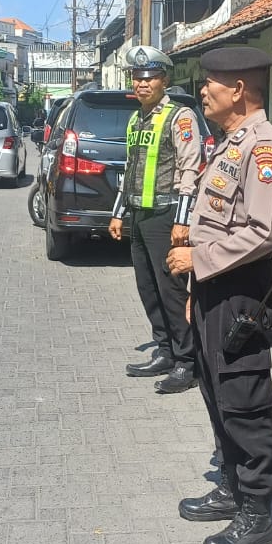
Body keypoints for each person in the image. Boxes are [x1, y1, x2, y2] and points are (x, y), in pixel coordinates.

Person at [166, 45, 272, 544]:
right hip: (214, 287)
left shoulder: (264, 147)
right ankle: (233, 486)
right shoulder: (229, 143)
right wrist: (197, 288)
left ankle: (258, 514)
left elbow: (264, 232)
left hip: (240, 292)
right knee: (216, 392)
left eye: (210, 83)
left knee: (243, 398)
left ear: (238, 89)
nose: (202, 91)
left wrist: (198, 260)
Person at [109, 45, 202, 393]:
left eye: (149, 77)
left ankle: (187, 363)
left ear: (164, 80)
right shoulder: (136, 119)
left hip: (166, 216)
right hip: (139, 216)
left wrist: (182, 220)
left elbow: (190, 169)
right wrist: (118, 213)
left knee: (172, 292)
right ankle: (165, 351)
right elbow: (129, 168)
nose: (142, 84)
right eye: (137, 78)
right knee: (148, 290)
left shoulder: (180, 117)